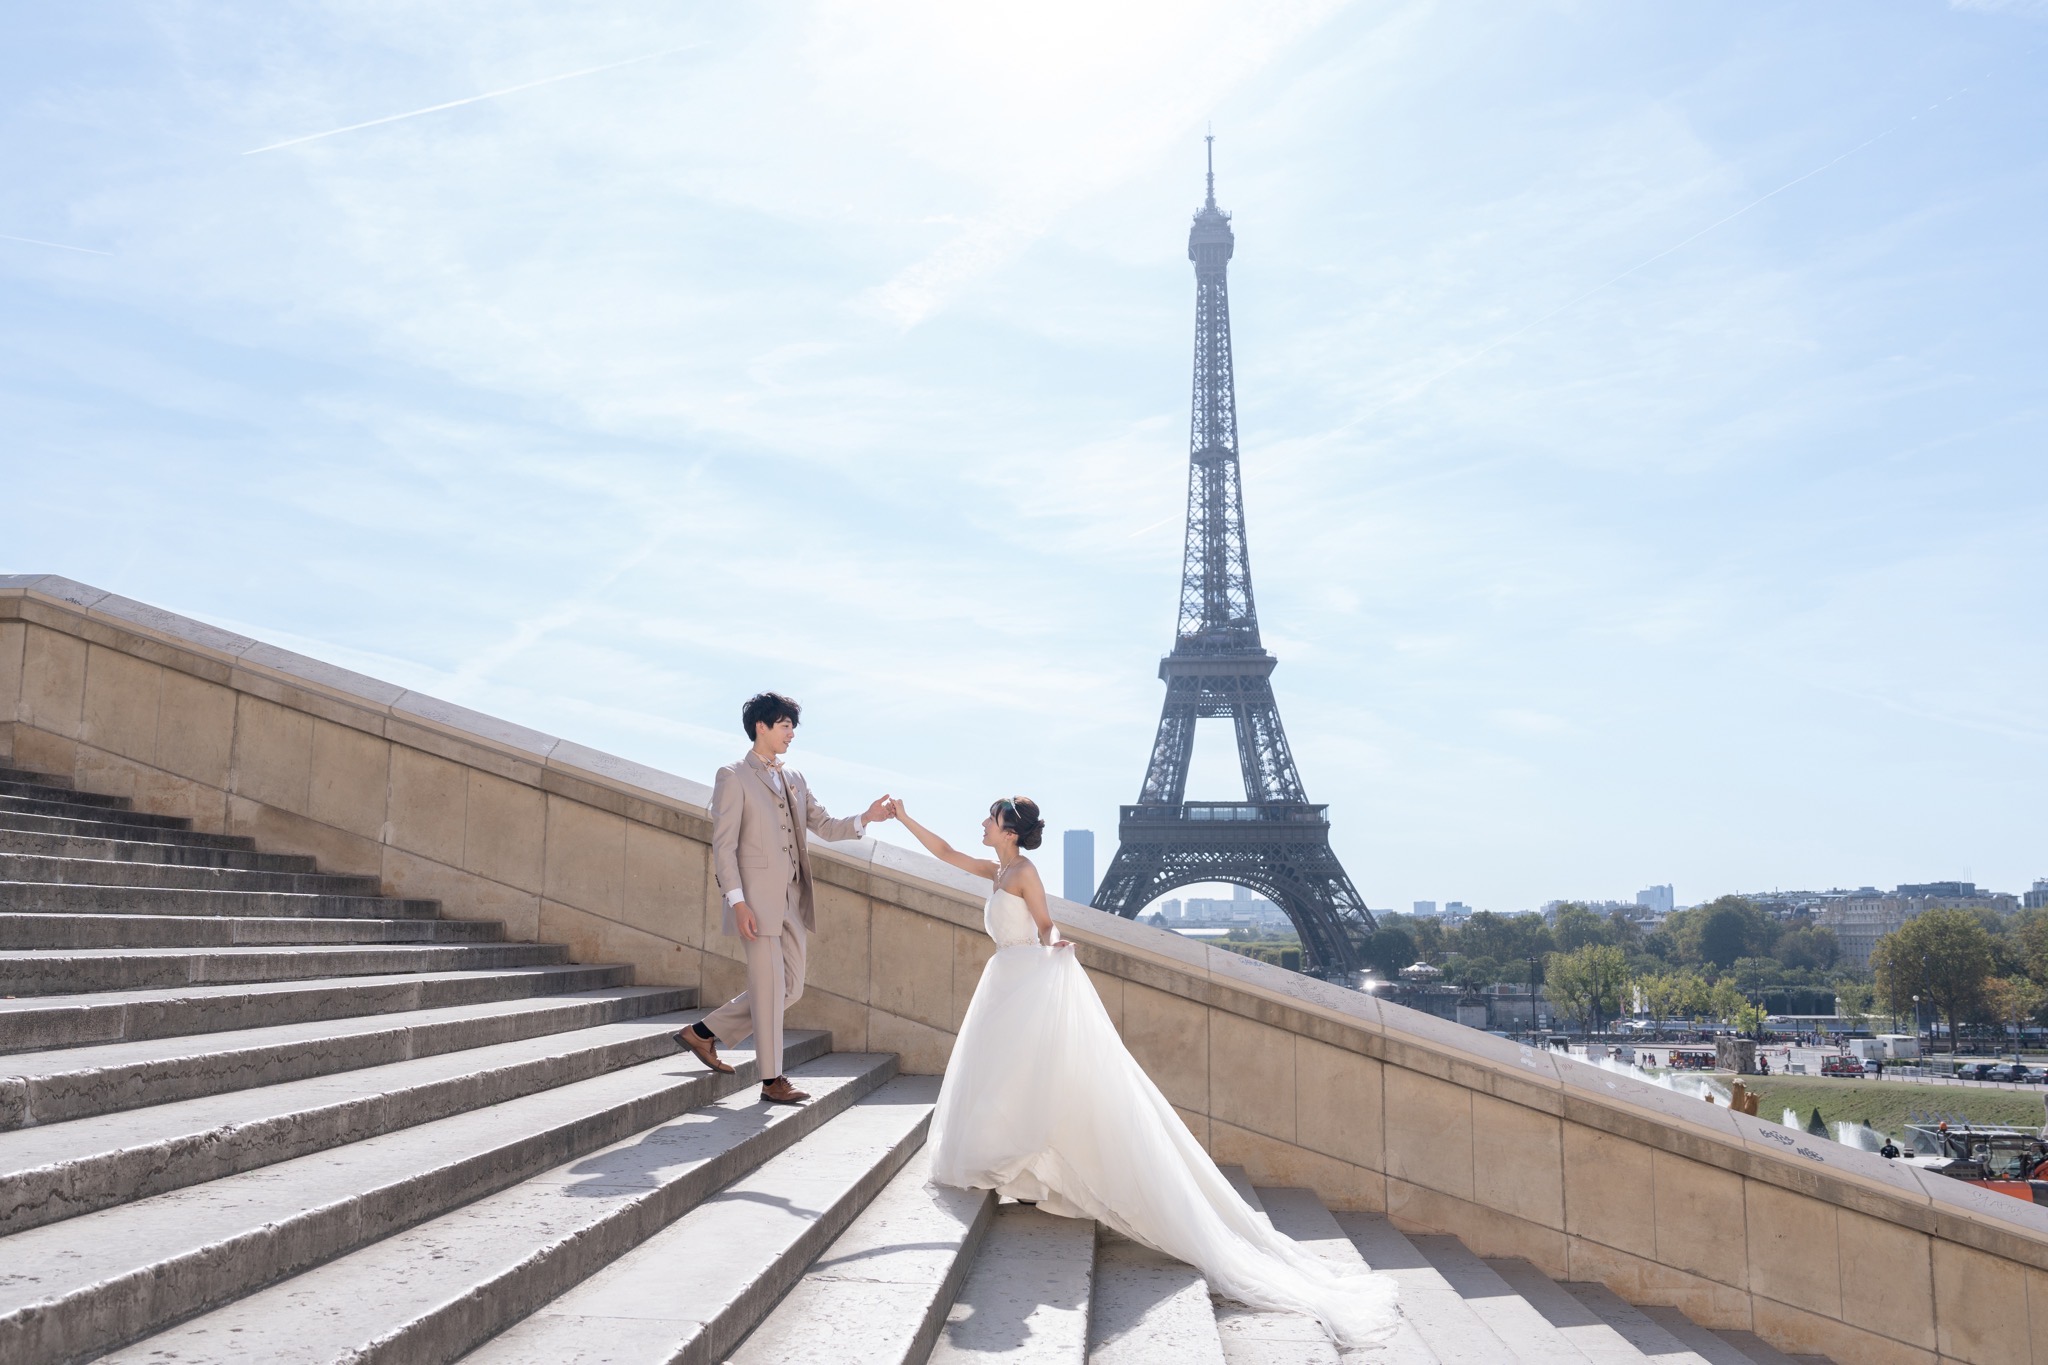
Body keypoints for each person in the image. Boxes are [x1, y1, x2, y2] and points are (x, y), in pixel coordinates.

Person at [887, 794, 1401, 1348]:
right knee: (1002, 1082)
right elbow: (943, 853)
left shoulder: (1024, 872)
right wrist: (903, 818)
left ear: (1009, 830)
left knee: (1014, 1082)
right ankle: (1009, 1163)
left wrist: (1058, 943)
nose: (982, 825)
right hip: (1006, 987)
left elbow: (1045, 925)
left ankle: (1012, 1162)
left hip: (1023, 987)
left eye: (989, 819)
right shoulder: (998, 870)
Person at [676, 692, 893, 1104]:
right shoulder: (733, 775)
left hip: (794, 898)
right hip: (755, 903)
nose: (791, 733)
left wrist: (866, 818)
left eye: (792, 726)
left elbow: (825, 825)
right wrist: (737, 902)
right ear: (762, 726)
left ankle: (701, 1033)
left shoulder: (793, 777)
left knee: (789, 989)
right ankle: (772, 1080)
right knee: (771, 988)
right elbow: (723, 847)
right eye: (785, 725)